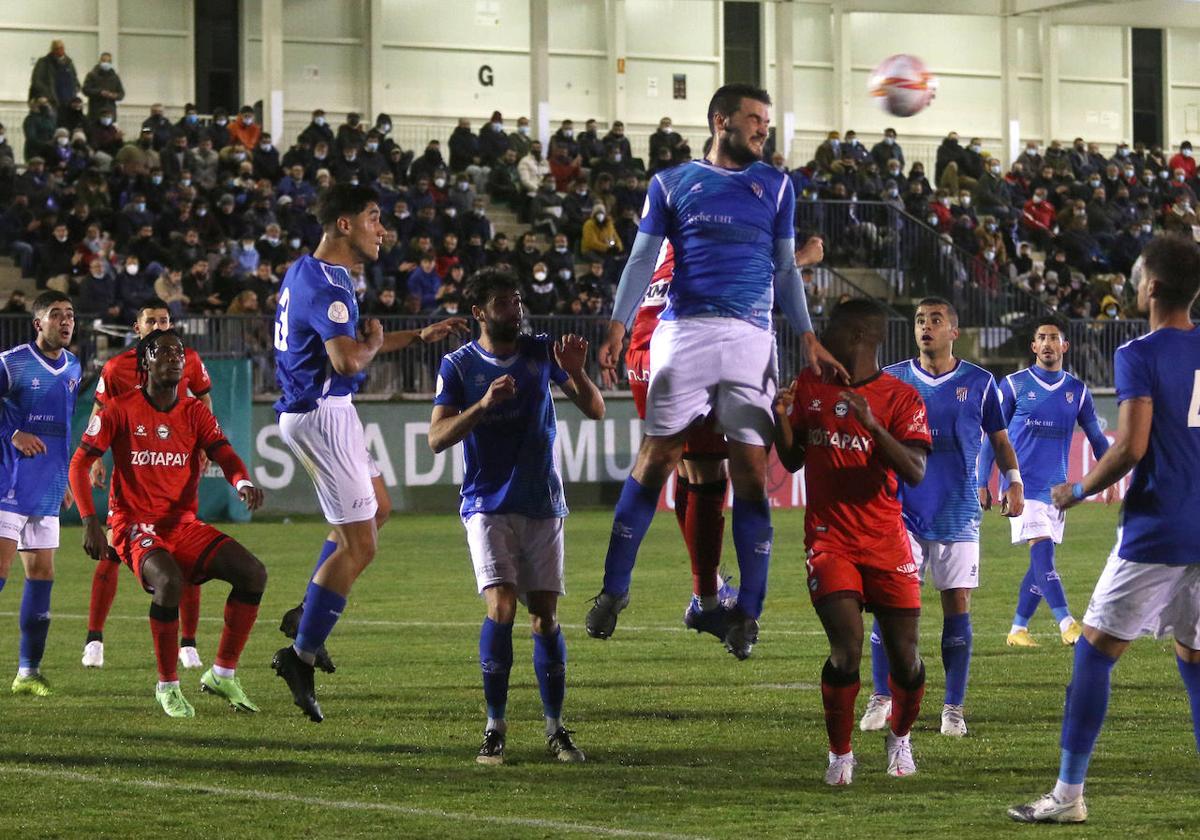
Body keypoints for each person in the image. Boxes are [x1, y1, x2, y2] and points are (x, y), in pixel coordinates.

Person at [588, 83, 845, 659]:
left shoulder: (778, 185)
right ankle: (614, 590)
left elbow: (783, 267)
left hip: (752, 337)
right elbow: (638, 258)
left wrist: (806, 336)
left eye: (767, 123)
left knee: (750, 474)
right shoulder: (672, 183)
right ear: (720, 120)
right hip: (684, 331)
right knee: (657, 458)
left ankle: (747, 612)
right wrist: (617, 324)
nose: (762, 130)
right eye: (754, 120)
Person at [1007, 235, 1200, 824]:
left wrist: (1077, 488)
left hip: (1158, 526)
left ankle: (1067, 797)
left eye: (1137, 275)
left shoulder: (1139, 353)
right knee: (1194, 657)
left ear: (1152, 288)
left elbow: (1131, 446)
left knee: (1094, 653)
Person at [270, 184, 467, 721]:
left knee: (378, 510)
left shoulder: (313, 274)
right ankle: (300, 656)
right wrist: (376, 343)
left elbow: (356, 344)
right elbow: (349, 361)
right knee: (362, 546)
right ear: (342, 225)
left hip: (328, 411)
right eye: (374, 218)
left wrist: (415, 335)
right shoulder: (330, 287)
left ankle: (307, 614)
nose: (384, 229)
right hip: (322, 413)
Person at [429, 268, 605, 765]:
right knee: (502, 607)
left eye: (518, 299)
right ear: (480, 313)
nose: (517, 308)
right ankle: (495, 726)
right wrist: (484, 404)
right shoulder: (459, 365)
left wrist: (579, 370)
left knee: (544, 616)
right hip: (486, 502)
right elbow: (437, 439)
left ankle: (555, 727)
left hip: (542, 501)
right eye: (505, 302)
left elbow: (594, 410)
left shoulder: (541, 351)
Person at [773, 298, 932, 785]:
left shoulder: (900, 397)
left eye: (833, 331)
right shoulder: (809, 386)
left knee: (905, 657)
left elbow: (915, 470)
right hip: (829, 540)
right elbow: (793, 459)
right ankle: (840, 754)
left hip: (886, 540)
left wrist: (872, 425)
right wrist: (780, 417)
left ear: (861, 336)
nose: (823, 339)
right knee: (847, 648)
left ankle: (900, 739)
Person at [69, 329, 266, 718]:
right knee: (169, 582)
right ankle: (168, 685)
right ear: (145, 363)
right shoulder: (120, 409)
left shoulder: (194, 411)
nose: (175, 358)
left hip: (182, 524)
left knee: (253, 574)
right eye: (163, 352)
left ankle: (222, 673)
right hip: (133, 525)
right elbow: (78, 463)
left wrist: (241, 481)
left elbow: (223, 453)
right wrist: (91, 521)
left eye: (179, 353)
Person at [860, 298, 1025, 739]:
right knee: (890, 605)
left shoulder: (980, 382)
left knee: (957, 606)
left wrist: (1013, 480)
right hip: (901, 512)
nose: (925, 327)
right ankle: (881, 696)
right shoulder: (891, 379)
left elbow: (1001, 439)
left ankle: (953, 708)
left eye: (935, 320)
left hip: (958, 513)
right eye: (919, 321)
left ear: (954, 331)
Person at [81, 299, 214, 670]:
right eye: (151, 321)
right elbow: (100, 410)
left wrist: (205, 443)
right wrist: (93, 461)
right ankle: (94, 639)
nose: (159, 326)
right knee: (111, 551)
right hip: (133, 477)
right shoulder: (116, 367)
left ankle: (188, 643)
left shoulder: (187, 359)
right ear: (136, 329)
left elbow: (203, 399)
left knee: (185, 556)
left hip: (175, 475)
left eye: (165, 320)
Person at [978, 316, 1115, 648]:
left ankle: (1018, 629)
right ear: (1034, 346)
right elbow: (991, 439)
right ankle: (1068, 624)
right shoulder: (1013, 385)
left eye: (1055, 338)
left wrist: (1110, 475)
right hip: (1021, 487)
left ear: (1064, 346)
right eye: (1042, 338)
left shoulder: (1077, 392)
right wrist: (982, 480)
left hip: (1057, 491)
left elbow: (1097, 438)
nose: (1049, 344)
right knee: (1043, 554)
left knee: (1041, 562)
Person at [0, 291, 80, 697]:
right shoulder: (10, 363)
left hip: (47, 484)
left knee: (42, 576)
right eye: (56, 315)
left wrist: (64, 477)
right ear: (38, 324)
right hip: (7, 480)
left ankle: (28, 672)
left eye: (70, 315)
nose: (65, 322)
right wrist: (12, 432)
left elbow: (64, 427)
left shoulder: (74, 366)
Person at [29, 40, 79, 112]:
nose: (60, 50)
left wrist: (76, 88)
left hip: (68, 102)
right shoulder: (44, 62)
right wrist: (47, 94)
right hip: (51, 101)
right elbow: (36, 81)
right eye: (57, 48)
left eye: (61, 48)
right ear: (53, 49)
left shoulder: (69, 63)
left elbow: (74, 78)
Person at [81, 52, 124, 120]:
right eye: (104, 61)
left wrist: (113, 95)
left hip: (110, 112)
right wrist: (100, 92)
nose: (106, 63)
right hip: (95, 112)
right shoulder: (92, 75)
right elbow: (85, 89)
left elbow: (121, 94)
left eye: (108, 61)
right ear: (99, 61)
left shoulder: (115, 77)